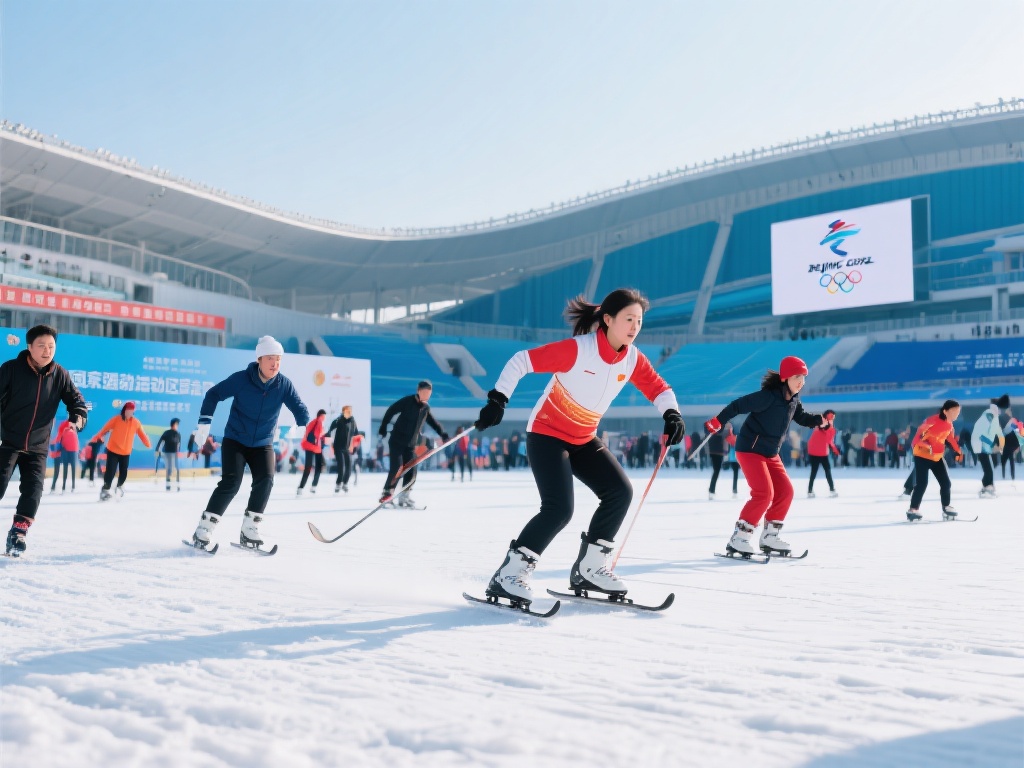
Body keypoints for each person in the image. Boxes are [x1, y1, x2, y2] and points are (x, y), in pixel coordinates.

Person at [476, 289, 684, 606]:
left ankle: (590, 568)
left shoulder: (632, 358)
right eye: (629, 319)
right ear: (608, 319)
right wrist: (498, 399)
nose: (634, 327)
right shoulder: (579, 350)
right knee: (559, 509)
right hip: (547, 434)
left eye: (639, 321)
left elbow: (659, 388)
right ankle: (509, 574)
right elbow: (522, 361)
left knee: (619, 491)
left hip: (583, 438)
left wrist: (672, 414)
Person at [189, 336, 309, 551]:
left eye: (279, 359)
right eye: (270, 358)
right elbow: (213, 394)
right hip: (235, 439)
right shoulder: (242, 379)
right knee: (231, 483)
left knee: (266, 480)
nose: (275, 364)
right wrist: (204, 423)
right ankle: (203, 530)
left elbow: (299, 407)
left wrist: (302, 425)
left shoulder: (283, 385)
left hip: (263, 443)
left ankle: (249, 530)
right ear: (260, 359)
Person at [704, 356, 826, 557]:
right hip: (750, 450)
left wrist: (818, 420)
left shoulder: (793, 401)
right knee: (763, 493)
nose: (801, 382)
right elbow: (737, 405)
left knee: (785, 491)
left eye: (803, 377)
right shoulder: (768, 397)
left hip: (771, 453)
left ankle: (770, 536)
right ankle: (739, 538)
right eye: (797, 377)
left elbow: (802, 418)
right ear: (786, 377)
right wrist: (718, 421)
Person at [1, 325, 88, 555]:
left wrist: (77, 420)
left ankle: (18, 534)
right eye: (41, 346)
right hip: (10, 441)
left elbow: (77, 402)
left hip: (38, 446)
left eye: (51, 346)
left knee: (34, 490)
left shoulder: (60, 375)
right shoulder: (10, 370)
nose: (47, 351)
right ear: (29, 347)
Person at [378, 381, 448, 508]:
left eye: (429, 394)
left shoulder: (425, 408)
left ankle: (404, 496)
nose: (427, 396)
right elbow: (391, 410)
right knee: (397, 468)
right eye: (425, 392)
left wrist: (443, 434)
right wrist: (383, 427)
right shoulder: (407, 401)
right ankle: (387, 493)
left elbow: (433, 422)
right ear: (418, 390)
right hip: (397, 442)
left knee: (411, 470)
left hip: (410, 445)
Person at [907, 400, 963, 521]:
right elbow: (917, 438)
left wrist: (958, 451)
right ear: (945, 411)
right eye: (954, 412)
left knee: (946, 483)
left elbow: (950, 439)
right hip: (922, 455)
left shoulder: (949, 425)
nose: (956, 415)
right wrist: (927, 446)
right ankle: (913, 509)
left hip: (936, 457)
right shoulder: (931, 421)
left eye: (958, 412)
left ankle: (946, 506)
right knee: (922, 483)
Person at [93, 401, 152, 500]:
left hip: (126, 452)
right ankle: (105, 490)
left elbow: (142, 434)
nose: (129, 413)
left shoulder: (136, 423)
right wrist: (97, 437)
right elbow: (105, 429)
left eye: (131, 411)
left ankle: (119, 487)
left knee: (123, 472)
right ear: (124, 410)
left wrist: (147, 444)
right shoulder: (116, 420)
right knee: (110, 472)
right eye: (128, 410)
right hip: (113, 450)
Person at [970, 403, 1002, 498]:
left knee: (988, 468)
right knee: (989, 469)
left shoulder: (985, 419)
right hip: (981, 446)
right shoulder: (986, 420)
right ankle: (988, 487)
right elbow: (982, 436)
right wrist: (993, 445)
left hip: (981, 446)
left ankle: (988, 486)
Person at [807, 409, 840, 498]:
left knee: (814, 472)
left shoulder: (819, 427)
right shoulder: (826, 428)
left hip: (816, 453)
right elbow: (829, 440)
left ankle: (810, 491)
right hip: (820, 453)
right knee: (827, 472)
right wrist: (835, 450)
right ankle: (832, 490)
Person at [326, 405, 358, 493]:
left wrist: (355, 446)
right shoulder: (339, 420)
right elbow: (330, 429)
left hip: (347, 447)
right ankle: (338, 483)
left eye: (350, 411)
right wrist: (327, 435)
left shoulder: (353, 421)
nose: (348, 412)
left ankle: (345, 483)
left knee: (349, 465)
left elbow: (356, 434)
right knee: (341, 465)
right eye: (347, 411)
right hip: (338, 447)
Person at [297, 409, 327, 495]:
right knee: (319, 467)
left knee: (308, 467)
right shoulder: (319, 421)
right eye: (324, 416)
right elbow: (317, 435)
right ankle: (313, 486)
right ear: (321, 416)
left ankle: (300, 488)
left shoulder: (312, 422)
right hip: (315, 447)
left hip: (309, 446)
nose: (324, 418)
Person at [50, 416, 80, 494]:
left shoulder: (72, 428)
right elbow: (57, 441)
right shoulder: (63, 428)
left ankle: (61, 487)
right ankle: (56, 487)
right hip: (62, 451)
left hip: (66, 451)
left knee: (62, 470)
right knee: (59, 471)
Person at [154, 417, 183, 492]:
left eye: (178, 424)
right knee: (169, 468)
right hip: (168, 453)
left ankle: (178, 483)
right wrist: (157, 450)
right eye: (176, 424)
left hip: (175, 453)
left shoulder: (178, 434)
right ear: (173, 424)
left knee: (177, 468)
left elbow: (179, 444)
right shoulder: (167, 433)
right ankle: (168, 484)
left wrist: (178, 451)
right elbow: (160, 442)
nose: (177, 426)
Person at [707, 423, 728, 500]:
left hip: (713, 453)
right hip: (718, 453)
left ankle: (711, 489)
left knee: (716, 471)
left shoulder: (711, 433)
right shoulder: (721, 433)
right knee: (716, 471)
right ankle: (711, 489)